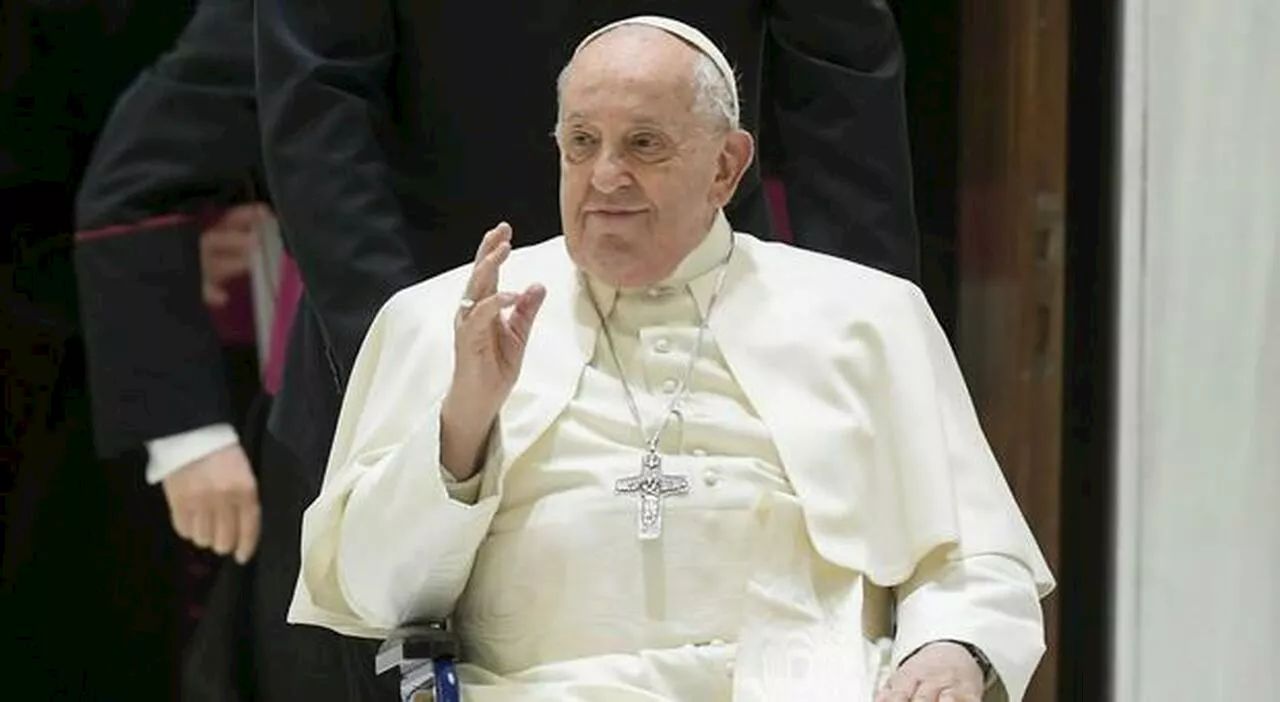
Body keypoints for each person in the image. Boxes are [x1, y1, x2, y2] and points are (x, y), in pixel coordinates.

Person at [290, 17, 1054, 702]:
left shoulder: (866, 316)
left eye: (644, 144)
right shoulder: (444, 320)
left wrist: (949, 648)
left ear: (726, 167)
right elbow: (376, 596)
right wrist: (464, 422)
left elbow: (973, 559)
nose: (605, 178)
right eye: (581, 144)